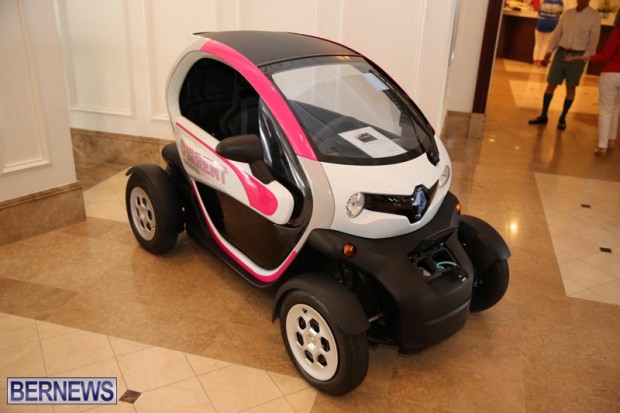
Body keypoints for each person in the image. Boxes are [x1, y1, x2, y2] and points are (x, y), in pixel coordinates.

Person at [528, 0, 600, 130]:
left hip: (578, 56)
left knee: (570, 88)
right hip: (561, 53)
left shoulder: (594, 16)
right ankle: (543, 115)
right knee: (551, 84)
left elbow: (593, 40)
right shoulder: (567, 14)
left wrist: (584, 59)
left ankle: (562, 119)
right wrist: (549, 52)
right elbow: (557, 34)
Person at [566, 11, 620, 156]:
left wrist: (581, 58)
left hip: (611, 74)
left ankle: (602, 146)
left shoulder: (617, 31)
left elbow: (606, 55)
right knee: (615, 108)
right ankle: (611, 141)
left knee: (606, 110)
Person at [533, 0, 564, 67]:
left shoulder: (543, 1)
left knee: (537, 43)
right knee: (545, 44)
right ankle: (539, 61)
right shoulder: (560, 2)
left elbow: (539, 11)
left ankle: (535, 60)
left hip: (541, 23)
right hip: (551, 25)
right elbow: (560, 13)